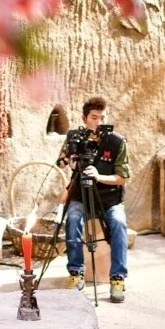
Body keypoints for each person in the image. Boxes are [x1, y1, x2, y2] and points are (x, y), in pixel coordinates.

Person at [57, 96, 131, 303]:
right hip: (81, 194)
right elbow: (61, 161)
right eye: (94, 117)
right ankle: (76, 272)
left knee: (118, 223)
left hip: (109, 198)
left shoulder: (117, 142)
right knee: (72, 219)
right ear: (85, 118)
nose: (98, 123)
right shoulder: (75, 137)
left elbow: (122, 178)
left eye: (103, 117)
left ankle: (117, 278)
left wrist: (98, 176)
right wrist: (68, 157)